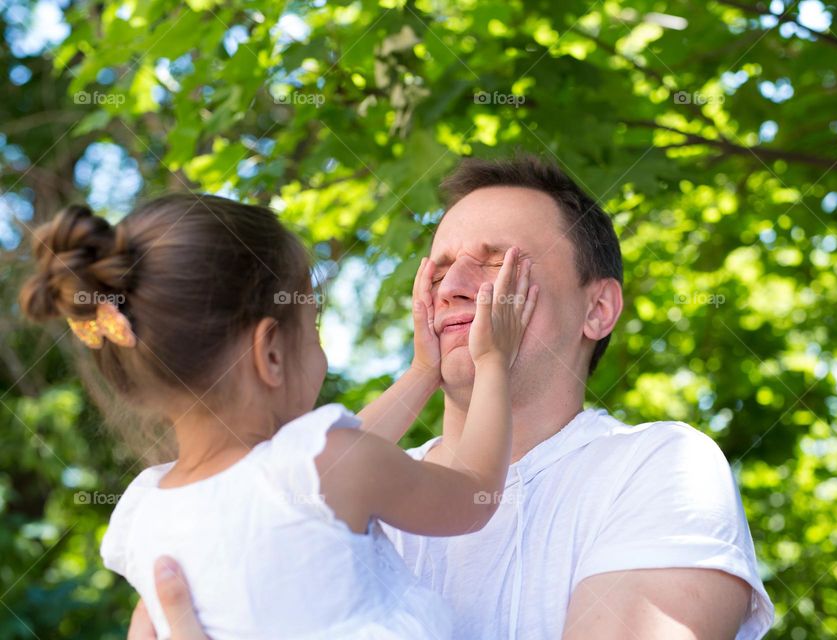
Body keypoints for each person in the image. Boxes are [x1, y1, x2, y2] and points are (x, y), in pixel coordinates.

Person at [133, 156, 775, 639]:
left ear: (598, 309)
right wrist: (422, 371)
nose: (453, 287)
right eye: (438, 270)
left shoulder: (659, 467)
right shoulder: (344, 480)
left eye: (498, 266)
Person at [18, 194, 539, 639]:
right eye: (313, 326)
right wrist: (493, 360)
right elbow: (472, 493)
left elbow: (332, 465)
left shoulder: (148, 512)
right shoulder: (327, 468)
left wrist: (424, 372)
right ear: (270, 352)